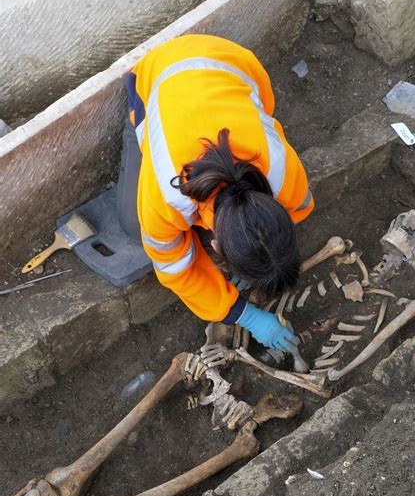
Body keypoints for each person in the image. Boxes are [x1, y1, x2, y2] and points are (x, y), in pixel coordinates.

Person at [117, 34, 314, 352]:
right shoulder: (165, 198)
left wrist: (254, 255)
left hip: (233, 61)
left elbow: (296, 210)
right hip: (154, 75)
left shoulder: (285, 173)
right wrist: (244, 315)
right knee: (130, 223)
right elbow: (175, 269)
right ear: (217, 245)